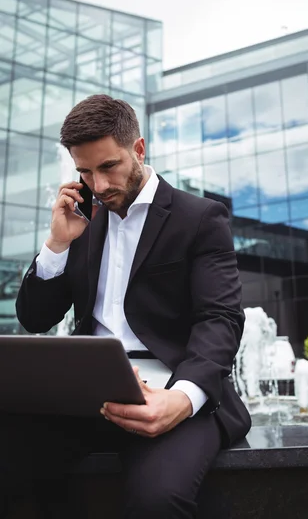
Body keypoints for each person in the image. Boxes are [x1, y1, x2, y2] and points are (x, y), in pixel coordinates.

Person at [9, 94, 251, 518]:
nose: (98, 186)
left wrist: (182, 398)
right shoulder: (82, 219)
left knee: (157, 500)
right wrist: (57, 243)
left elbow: (221, 318)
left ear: (138, 149)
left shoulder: (200, 218)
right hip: (84, 392)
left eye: (108, 167)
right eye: (84, 172)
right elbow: (35, 318)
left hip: (173, 386)